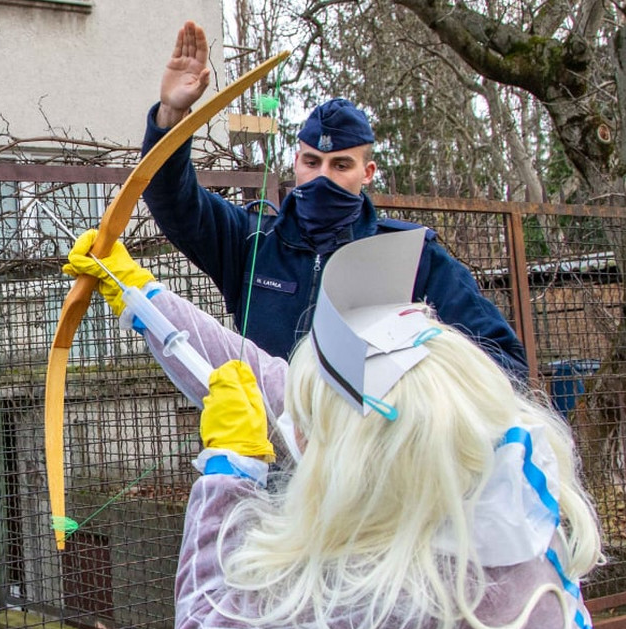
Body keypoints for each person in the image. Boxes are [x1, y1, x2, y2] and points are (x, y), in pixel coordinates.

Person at [64, 228, 613, 629]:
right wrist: (140, 297)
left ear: (360, 456)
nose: (299, 427)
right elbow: (268, 383)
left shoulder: (400, 609)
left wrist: (229, 469)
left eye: (317, 422)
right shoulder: (482, 482)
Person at [140, 20, 528, 378]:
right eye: (312, 162)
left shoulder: (412, 256)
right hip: (269, 447)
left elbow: (501, 360)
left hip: (366, 449)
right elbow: (172, 200)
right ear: (296, 163)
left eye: (341, 165)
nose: (322, 177)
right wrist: (172, 113)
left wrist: (418, 397)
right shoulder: (252, 242)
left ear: (368, 172)